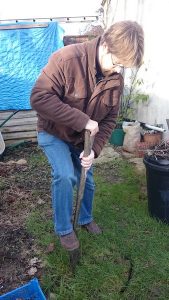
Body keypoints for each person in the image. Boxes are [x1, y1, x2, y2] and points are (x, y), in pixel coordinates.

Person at [30, 20, 144, 251]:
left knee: (88, 181)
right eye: (116, 62)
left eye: (123, 66)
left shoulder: (115, 80)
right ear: (105, 46)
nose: (117, 69)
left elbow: (110, 119)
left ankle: (84, 218)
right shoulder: (67, 59)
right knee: (64, 175)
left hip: (82, 140)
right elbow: (39, 98)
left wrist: (94, 149)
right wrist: (82, 120)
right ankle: (64, 229)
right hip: (54, 132)